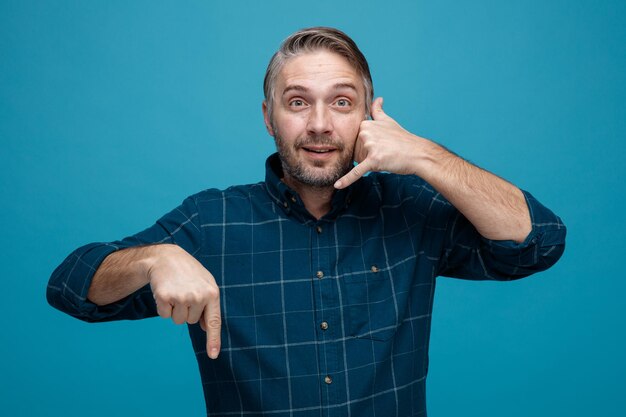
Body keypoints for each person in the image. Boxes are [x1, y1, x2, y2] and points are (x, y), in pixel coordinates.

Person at [47, 27, 566, 416]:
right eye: (298, 103)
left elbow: (536, 243)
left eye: (341, 102)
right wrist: (154, 258)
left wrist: (426, 156)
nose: (320, 124)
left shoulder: (411, 210)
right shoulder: (211, 222)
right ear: (269, 117)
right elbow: (71, 287)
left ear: (367, 114)